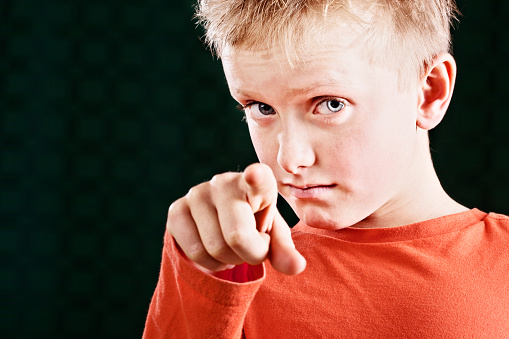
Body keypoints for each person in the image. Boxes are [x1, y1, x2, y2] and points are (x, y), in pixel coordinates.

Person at [143, 0, 509, 337]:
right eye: (261, 108)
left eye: (331, 104)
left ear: (429, 92)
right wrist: (204, 277)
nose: (289, 160)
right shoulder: (229, 273)